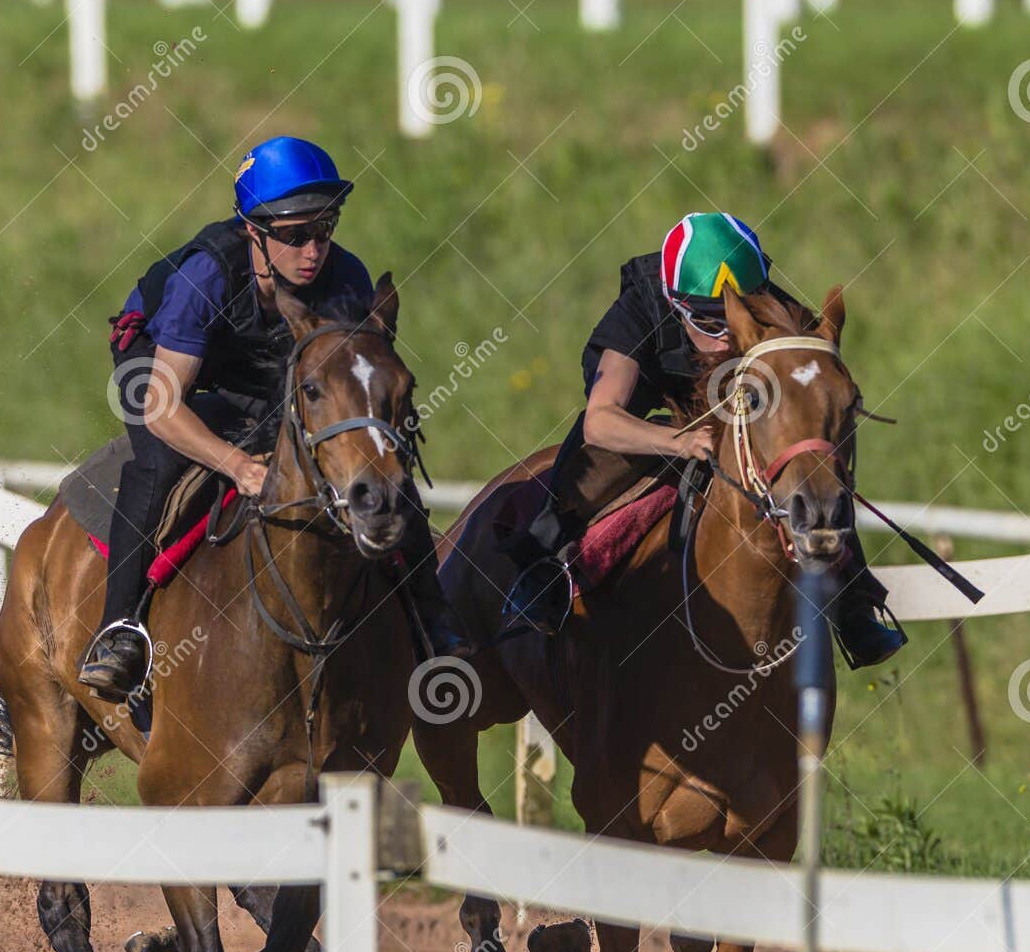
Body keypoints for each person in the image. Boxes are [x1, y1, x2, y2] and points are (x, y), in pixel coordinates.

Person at [77, 136, 468, 701]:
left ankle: (434, 616)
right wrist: (237, 465)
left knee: (383, 467)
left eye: (324, 229)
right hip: (166, 369)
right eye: (294, 236)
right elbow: (164, 409)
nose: (314, 251)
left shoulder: (348, 279)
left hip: (267, 369)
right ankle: (118, 630)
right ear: (253, 232)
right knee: (160, 462)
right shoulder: (206, 278)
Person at [502, 211, 905, 668]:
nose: (726, 338)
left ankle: (854, 602)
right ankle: (542, 575)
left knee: (815, 473)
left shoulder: (772, 306)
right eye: (712, 325)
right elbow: (602, 420)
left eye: (735, 317)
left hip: (735, 403)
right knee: (591, 464)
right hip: (650, 404)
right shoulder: (640, 310)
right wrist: (677, 442)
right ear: (677, 306)